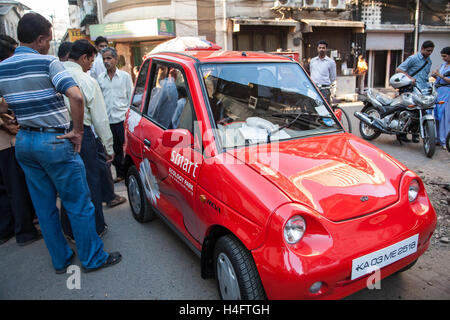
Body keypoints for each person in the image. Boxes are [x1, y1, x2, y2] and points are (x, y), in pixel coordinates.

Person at [0, 13, 121, 273]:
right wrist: (77, 131)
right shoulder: (48, 62)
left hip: (24, 141)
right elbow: (75, 97)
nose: (50, 43)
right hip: (54, 140)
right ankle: (92, 258)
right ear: (41, 39)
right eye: (49, 38)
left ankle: (61, 259)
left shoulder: (3, 67)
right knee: (78, 203)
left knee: (44, 207)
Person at [59, 39, 115, 242]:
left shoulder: (53, 74)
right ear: (84, 58)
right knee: (90, 183)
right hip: (84, 134)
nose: (92, 65)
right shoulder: (86, 80)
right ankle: (95, 228)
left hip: (56, 135)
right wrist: (108, 147)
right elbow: (100, 118)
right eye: (91, 60)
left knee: (65, 184)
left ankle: (69, 230)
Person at [0, 35, 40, 246]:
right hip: (6, 143)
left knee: (9, 188)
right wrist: (5, 123)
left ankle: (10, 227)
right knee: (16, 188)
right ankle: (25, 231)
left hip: (11, 141)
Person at [97, 46, 134, 183]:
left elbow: (131, 97)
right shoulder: (100, 79)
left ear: (116, 59)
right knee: (113, 148)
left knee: (125, 147)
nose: (106, 61)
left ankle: (126, 172)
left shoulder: (124, 77)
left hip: (122, 119)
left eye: (109, 58)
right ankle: (120, 173)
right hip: (107, 120)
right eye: (104, 59)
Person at [395, 40, 435, 143]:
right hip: (410, 89)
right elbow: (399, 69)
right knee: (407, 112)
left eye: (431, 51)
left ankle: (416, 134)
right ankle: (401, 134)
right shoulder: (413, 58)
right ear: (422, 49)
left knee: (421, 112)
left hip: (422, 91)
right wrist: (410, 78)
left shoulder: (428, 61)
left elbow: (425, 76)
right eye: (427, 50)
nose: (429, 53)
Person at [431, 46, 450, 149]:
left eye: (445, 56)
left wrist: (440, 76)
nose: (443, 58)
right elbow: (440, 77)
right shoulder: (443, 65)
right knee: (437, 116)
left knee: (445, 117)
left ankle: (445, 141)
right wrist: (435, 76)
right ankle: (438, 138)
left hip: (447, 92)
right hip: (439, 92)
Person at [309, 40, 337, 104]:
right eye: (320, 48)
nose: (321, 49)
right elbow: (311, 73)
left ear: (326, 49)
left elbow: (332, 77)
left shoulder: (331, 62)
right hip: (313, 88)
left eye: (323, 48)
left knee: (324, 109)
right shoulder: (313, 61)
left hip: (324, 89)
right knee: (312, 107)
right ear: (317, 49)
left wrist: (324, 83)